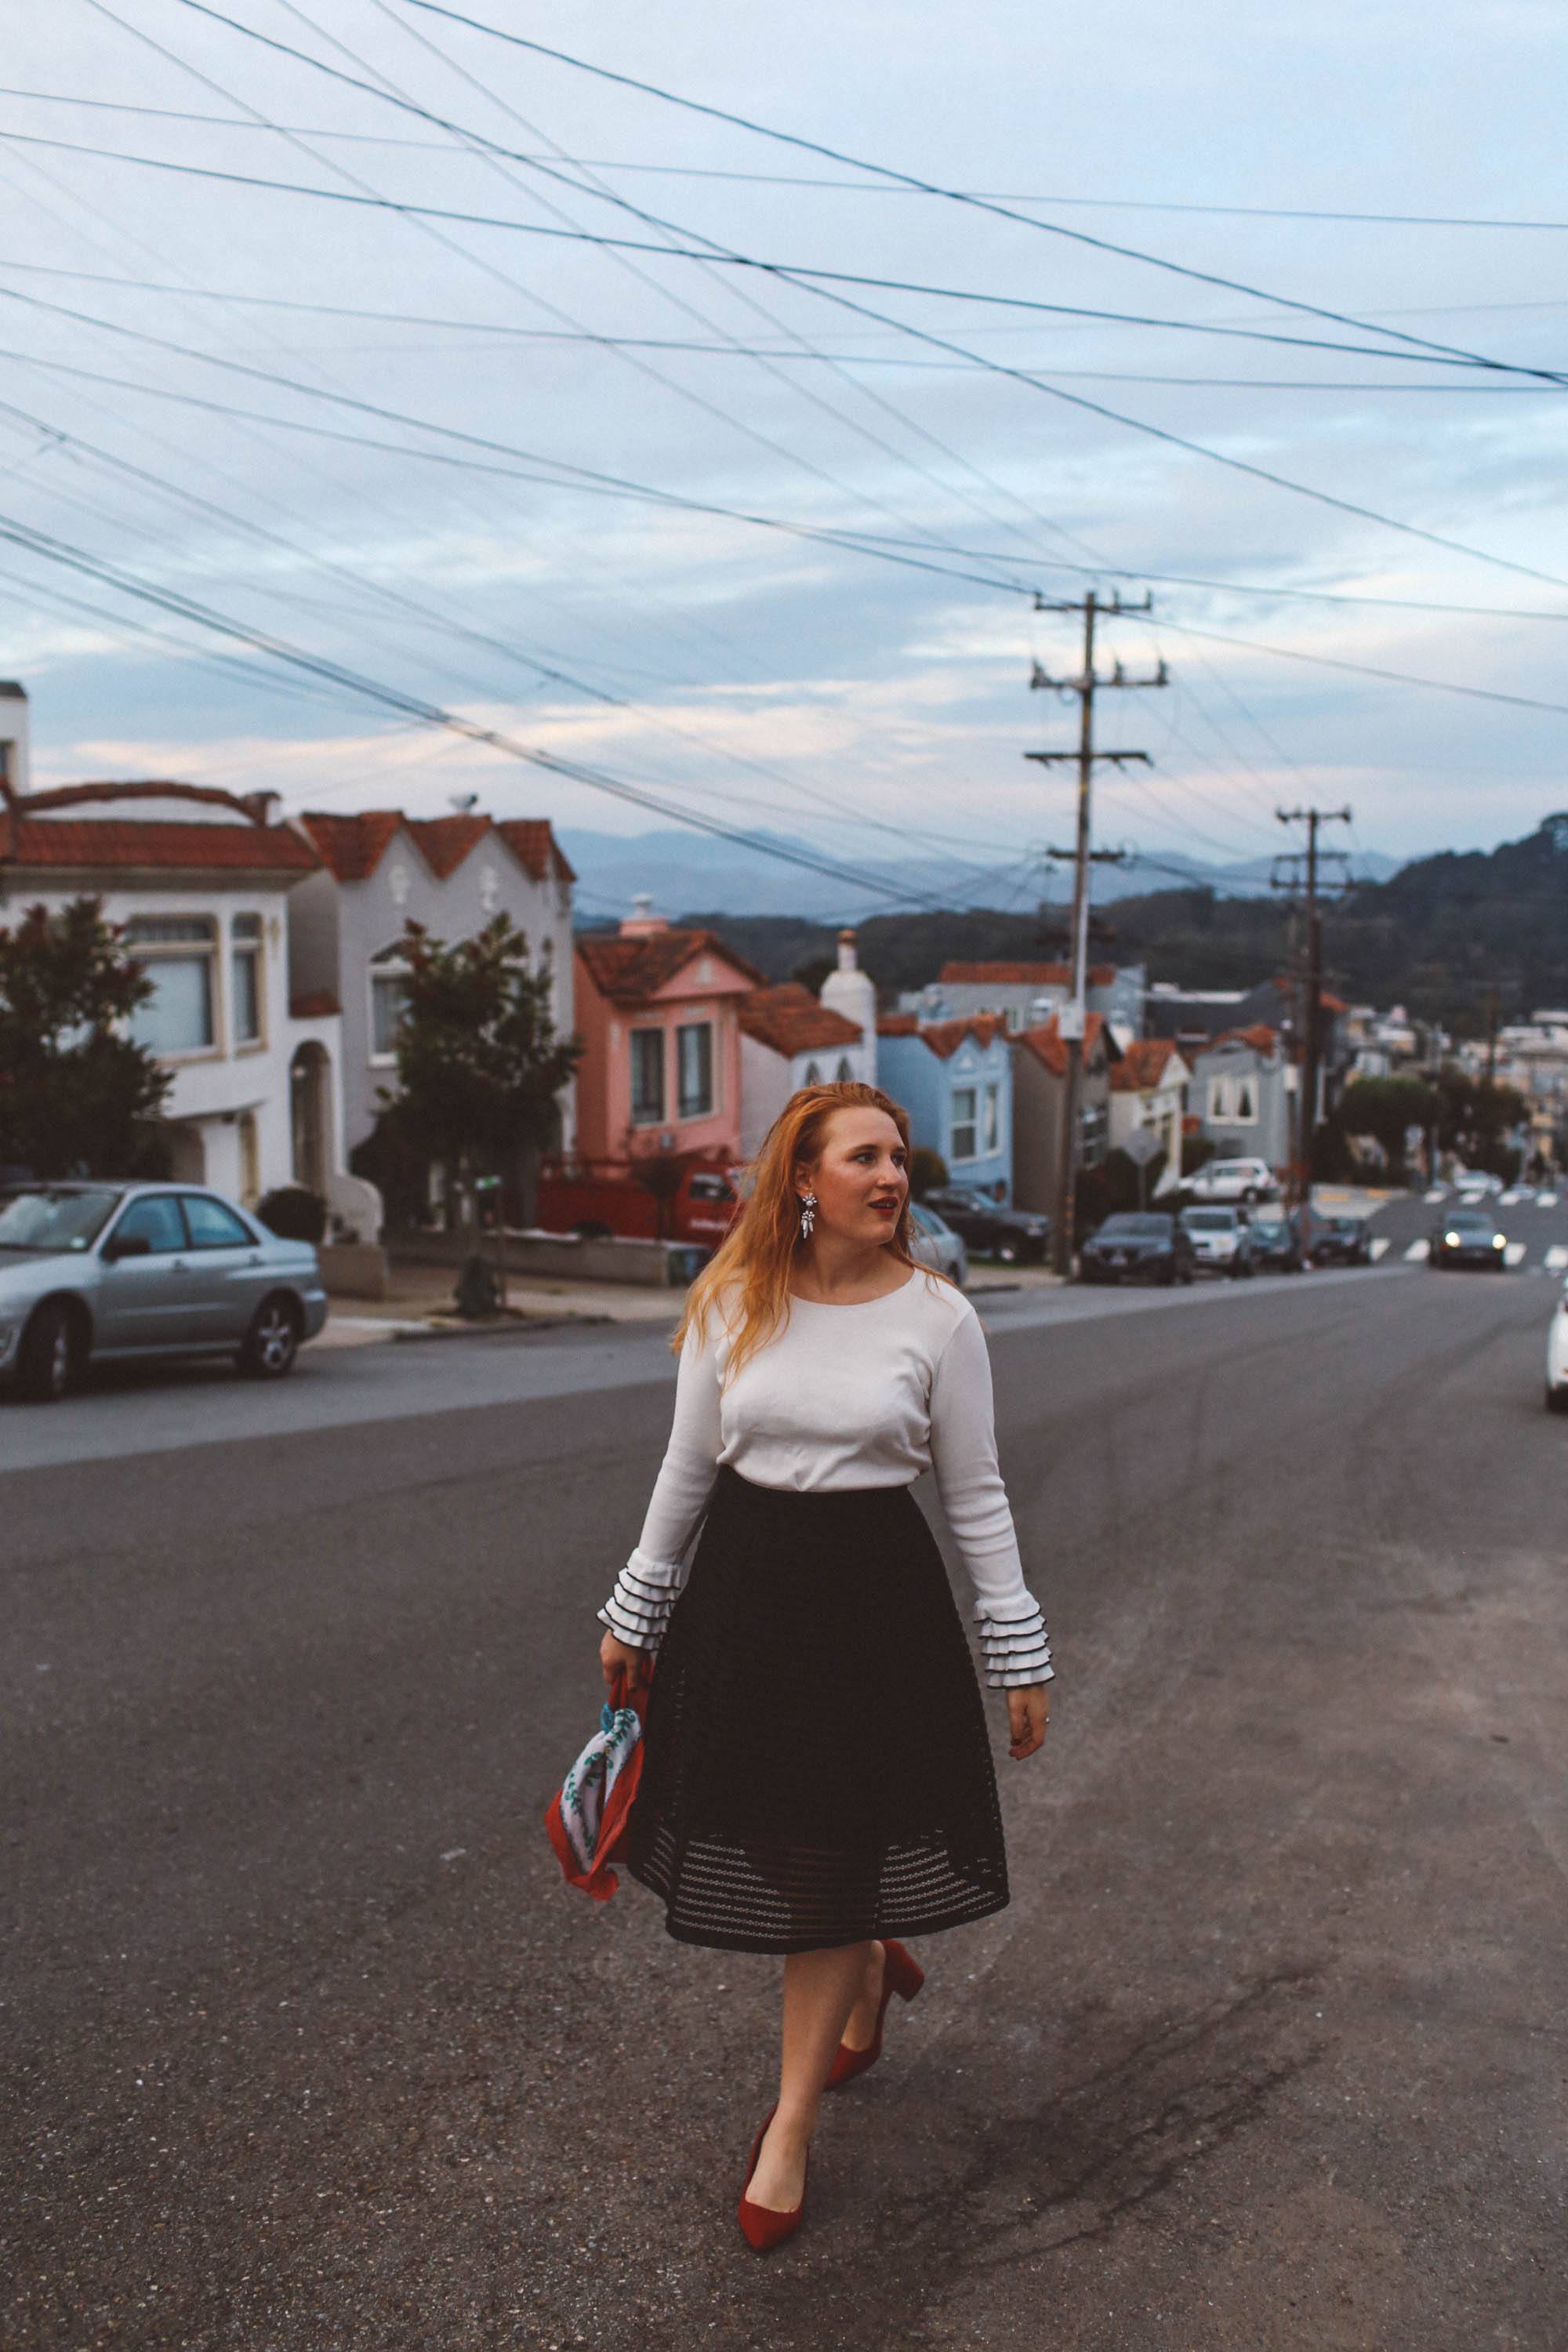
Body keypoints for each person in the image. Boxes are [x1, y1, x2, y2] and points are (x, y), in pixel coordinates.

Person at [597, 1080, 1052, 2249]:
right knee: (774, 1834)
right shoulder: (733, 1300)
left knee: (826, 1851)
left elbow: (977, 1493)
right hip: (746, 1601)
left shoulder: (941, 1320)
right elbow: (684, 1472)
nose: (892, 1178)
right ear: (802, 1180)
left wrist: (1019, 1652)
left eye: (900, 1159)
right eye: (865, 1158)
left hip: (875, 1610)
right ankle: (866, 1949)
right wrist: (634, 1613)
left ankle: (791, 2123)